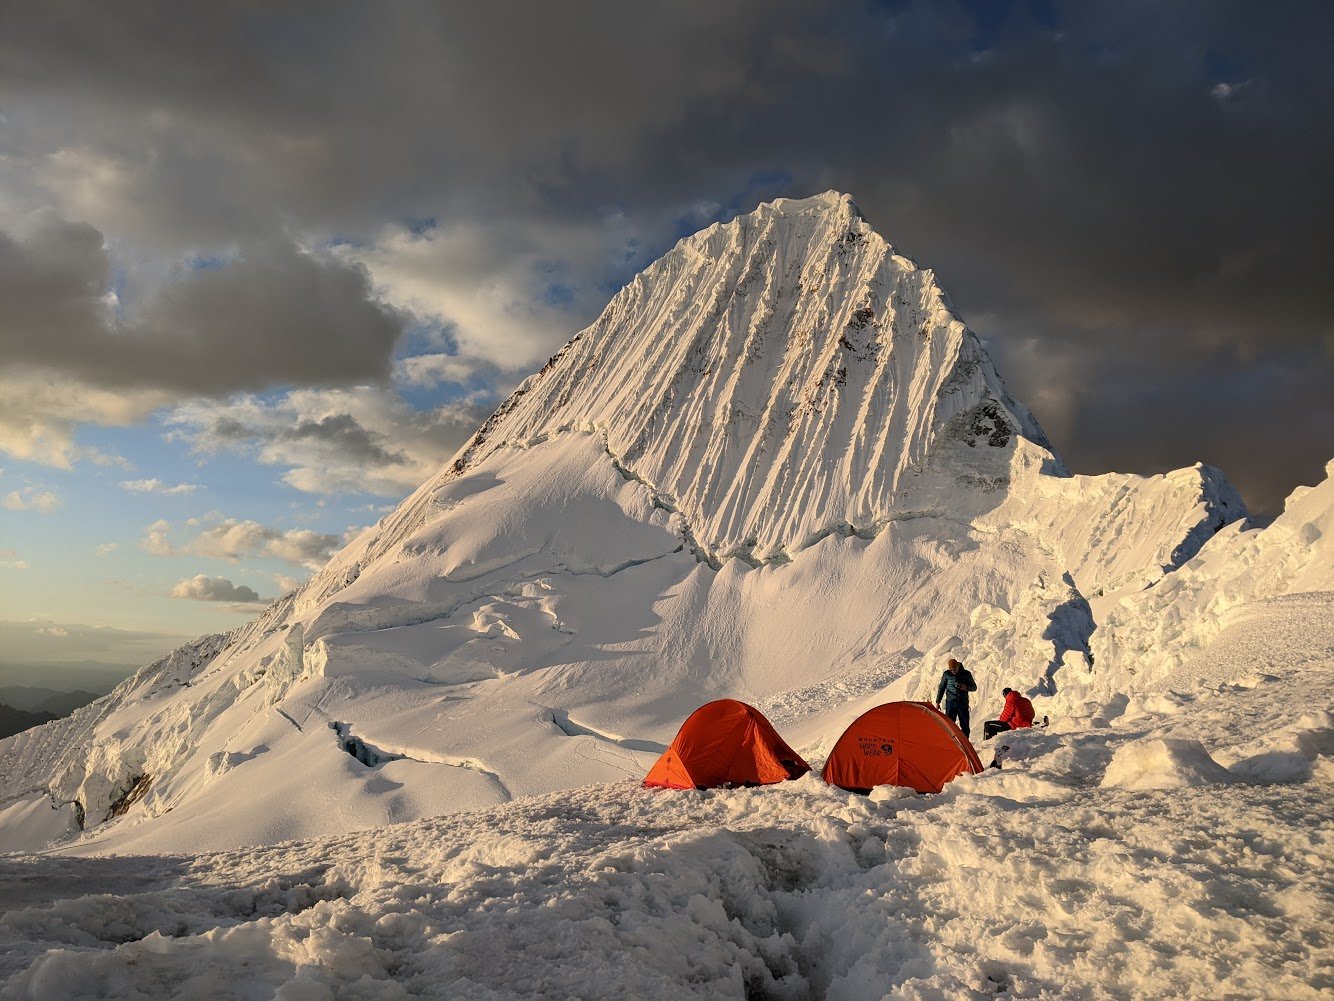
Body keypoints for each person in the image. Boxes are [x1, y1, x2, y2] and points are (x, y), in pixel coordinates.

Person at [935, 657, 977, 739]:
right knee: (949, 725)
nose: (953, 672)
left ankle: (966, 745)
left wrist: (965, 687)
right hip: (950, 702)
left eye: (954, 669)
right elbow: (941, 688)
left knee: (965, 725)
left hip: (962, 703)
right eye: (951, 670)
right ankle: (950, 744)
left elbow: (974, 687)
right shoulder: (946, 674)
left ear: (958, 666)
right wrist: (938, 702)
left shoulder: (966, 674)